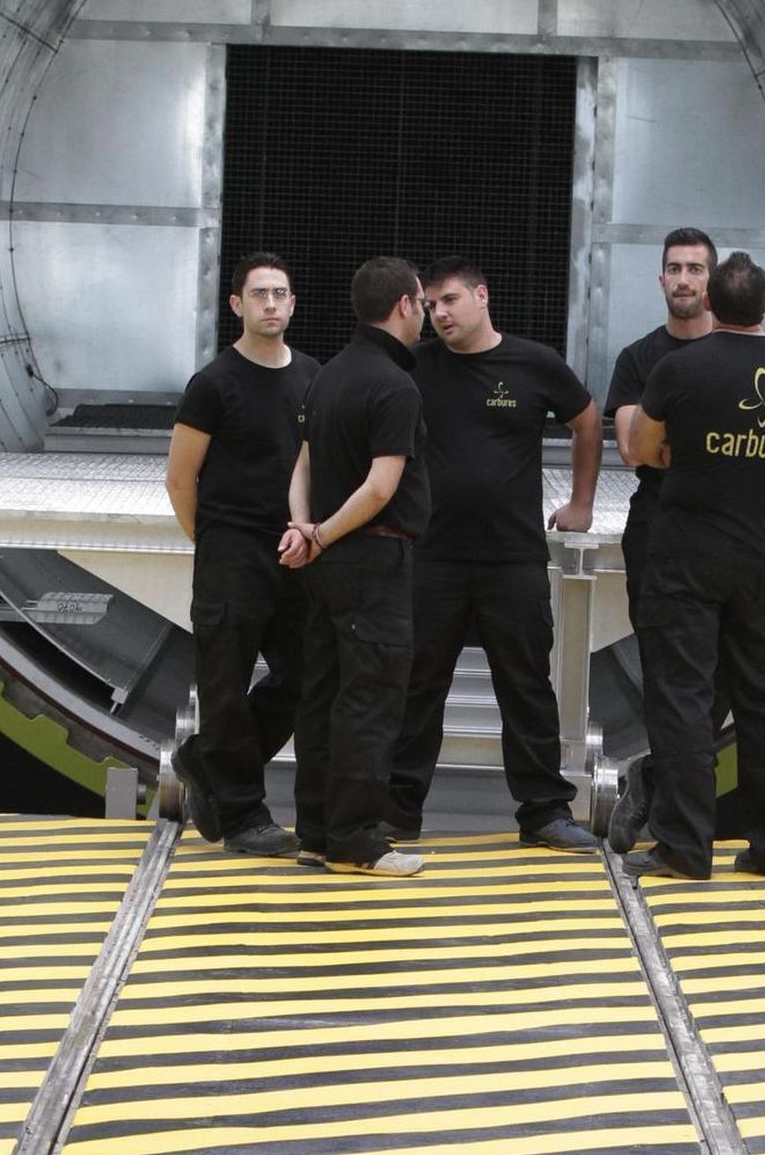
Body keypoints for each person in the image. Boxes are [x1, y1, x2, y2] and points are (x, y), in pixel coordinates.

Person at [389, 258, 601, 853]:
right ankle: (398, 809)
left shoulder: (533, 364)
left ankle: (544, 813)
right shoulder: (416, 365)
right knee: (416, 686)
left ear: (483, 296)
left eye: (451, 300)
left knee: (526, 685)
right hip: (432, 556)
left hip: (512, 557)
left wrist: (581, 502)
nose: (441, 314)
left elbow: (588, 421)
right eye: (430, 305)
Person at [625, 251, 765, 883]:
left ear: (710, 303)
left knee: (683, 699)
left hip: (689, 559)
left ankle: (684, 846)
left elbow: (641, 449)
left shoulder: (680, 369)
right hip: (764, 558)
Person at [282, 256, 430, 879]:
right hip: (371, 557)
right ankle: (358, 839)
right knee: (369, 699)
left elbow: (304, 466)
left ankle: (314, 832)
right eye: (422, 302)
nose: (425, 313)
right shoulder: (395, 386)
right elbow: (379, 487)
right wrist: (322, 534)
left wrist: (305, 529)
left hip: (326, 564)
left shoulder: (327, 375)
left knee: (322, 695)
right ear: (403, 305)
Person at [166, 253, 319, 856]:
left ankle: (210, 763)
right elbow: (181, 479)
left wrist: (308, 529)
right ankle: (244, 816)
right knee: (224, 684)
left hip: (293, 547)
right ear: (237, 304)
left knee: (304, 674)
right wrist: (210, 541)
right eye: (260, 294)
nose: (272, 304)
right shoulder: (213, 384)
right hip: (231, 549)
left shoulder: (311, 375)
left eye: (281, 293)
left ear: (293, 303)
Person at [604, 227, 716, 854]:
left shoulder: (734, 355)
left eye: (694, 270)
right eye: (674, 268)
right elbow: (633, 448)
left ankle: (655, 776)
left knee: (722, 674)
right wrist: (695, 450)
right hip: (657, 525)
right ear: (660, 279)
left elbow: (667, 445)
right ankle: (672, 806)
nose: (682, 280)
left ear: (711, 280)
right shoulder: (639, 359)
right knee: (664, 672)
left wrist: (678, 447)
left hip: (722, 530)